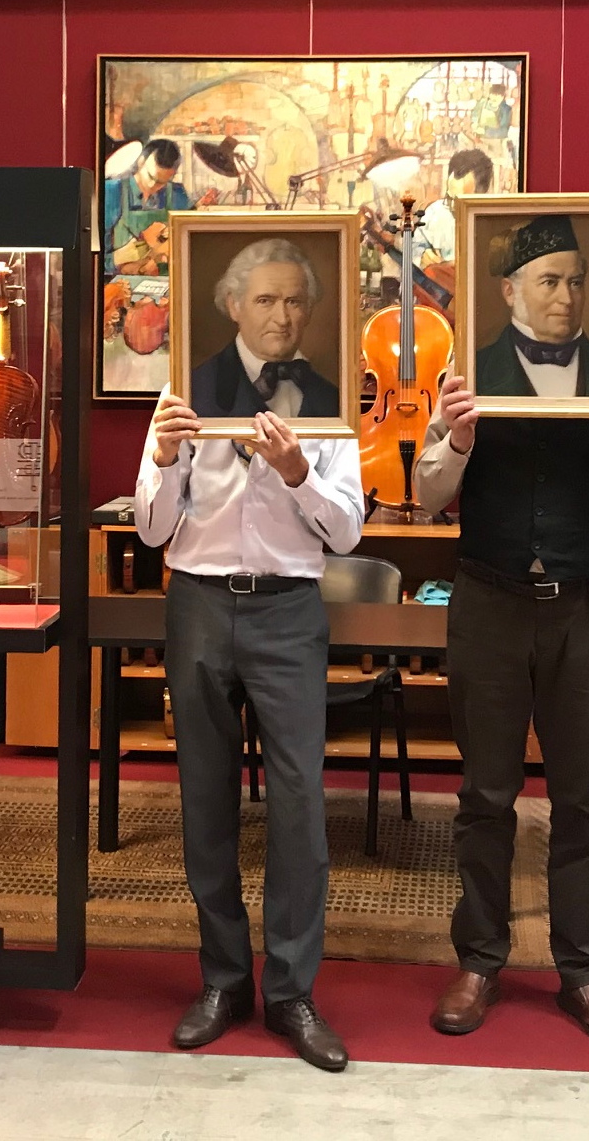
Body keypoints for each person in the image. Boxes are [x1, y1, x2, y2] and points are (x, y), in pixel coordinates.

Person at [411, 344, 589, 1048]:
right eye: (546, 287)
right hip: (487, 603)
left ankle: (582, 970)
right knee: (485, 794)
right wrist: (457, 439)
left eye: (571, 287)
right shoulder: (469, 375)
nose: (559, 297)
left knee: (582, 799)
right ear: (512, 293)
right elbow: (427, 493)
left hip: (587, 609)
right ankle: (479, 962)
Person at [135, 325, 366, 1071]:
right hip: (198, 602)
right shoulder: (181, 393)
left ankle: (292, 992)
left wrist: (299, 472)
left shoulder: (327, 400)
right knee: (205, 797)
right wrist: (163, 458)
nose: (279, 316)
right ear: (233, 309)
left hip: (288, 608)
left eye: (292, 300)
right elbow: (150, 530)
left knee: (299, 803)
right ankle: (223, 981)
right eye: (262, 298)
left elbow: (347, 533)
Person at [474, 214, 589, 399]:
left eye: (575, 283)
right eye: (550, 282)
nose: (567, 299)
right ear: (510, 292)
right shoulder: (474, 373)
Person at [189, 238, 339, 419]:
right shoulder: (193, 391)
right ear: (234, 306)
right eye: (265, 301)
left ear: (309, 310)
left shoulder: (333, 399)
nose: (282, 319)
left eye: (293, 302)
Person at [104, 138, 192, 274]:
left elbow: (189, 250)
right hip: (118, 282)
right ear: (141, 162)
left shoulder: (177, 195)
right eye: (150, 177)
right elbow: (94, 259)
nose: (152, 185)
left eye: (161, 182)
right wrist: (118, 257)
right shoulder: (111, 192)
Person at [415, 146, 494, 273]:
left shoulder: (495, 223)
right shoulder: (434, 212)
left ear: (482, 194)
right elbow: (415, 248)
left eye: (459, 202)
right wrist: (422, 256)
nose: (452, 206)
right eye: (449, 198)